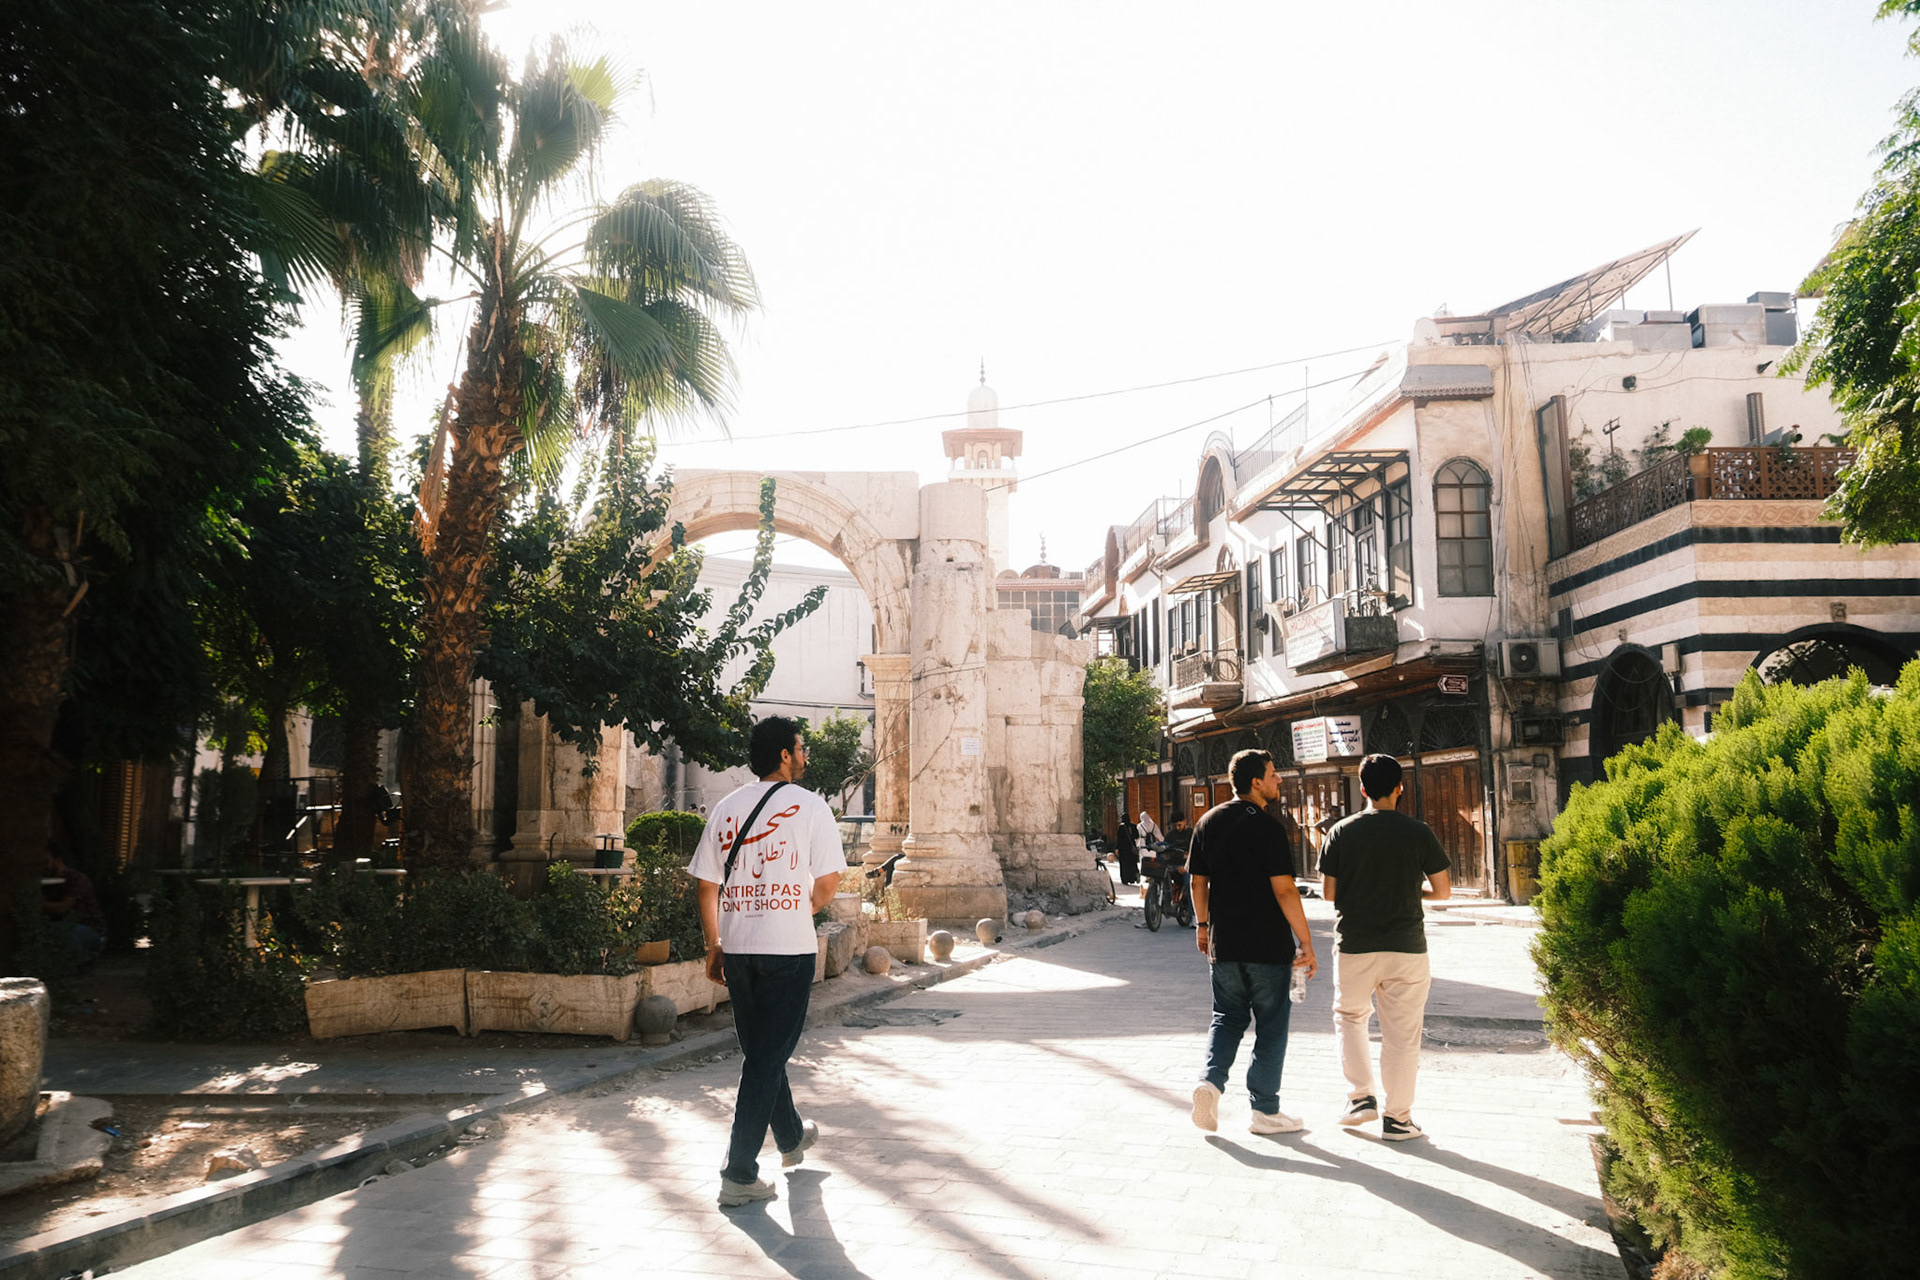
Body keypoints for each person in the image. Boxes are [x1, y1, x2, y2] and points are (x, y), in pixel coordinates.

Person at [690, 716, 847, 1207]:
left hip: (737, 948)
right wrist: (794, 908)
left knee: (763, 1051)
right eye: (800, 748)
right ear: (784, 754)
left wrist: (714, 944)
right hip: (788, 950)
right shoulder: (812, 806)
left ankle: (792, 1137)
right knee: (765, 1057)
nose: (805, 756)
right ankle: (738, 1174)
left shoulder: (726, 807)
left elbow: (706, 885)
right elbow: (828, 884)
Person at [1318, 753, 1452, 1141]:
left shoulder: (1340, 832)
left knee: (1350, 1017)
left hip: (1355, 945)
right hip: (1406, 947)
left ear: (1362, 789)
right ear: (1399, 788)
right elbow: (1443, 891)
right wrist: (1411, 892)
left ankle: (1361, 1098)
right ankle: (1398, 1119)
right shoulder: (1418, 832)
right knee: (1403, 1035)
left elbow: (1329, 893)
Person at [1188, 749, 1318, 1135]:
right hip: (1267, 947)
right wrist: (1306, 941)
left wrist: (1202, 926)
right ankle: (1264, 1111)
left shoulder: (1207, 821)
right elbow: (1285, 890)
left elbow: (1198, 882)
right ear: (1256, 782)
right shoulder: (1268, 828)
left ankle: (1209, 1084)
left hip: (1224, 945)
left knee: (1226, 1018)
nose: (1279, 780)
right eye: (1273, 774)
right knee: (1272, 1025)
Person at [43, 850, 106, 968]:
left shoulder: (76, 879)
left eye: (46, 862)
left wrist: (37, 903)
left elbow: (63, 907)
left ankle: (83, 961)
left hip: (89, 929)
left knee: (60, 929)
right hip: (70, 928)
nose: (44, 867)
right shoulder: (48, 881)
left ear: (58, 860)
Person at [1114, 814, 1140, 886]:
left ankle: (1125, 879)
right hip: (1131, 848)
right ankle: (1132, 878)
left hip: (1123, 848)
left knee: (1124, 864)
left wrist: (1117, 848)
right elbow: (1137, 836)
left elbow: (1119, 839)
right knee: (1132, 863)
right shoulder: (1133, 826)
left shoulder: (1122, 827)